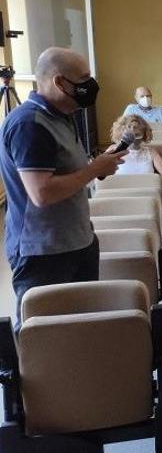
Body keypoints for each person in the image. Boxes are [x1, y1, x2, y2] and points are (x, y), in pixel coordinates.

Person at [0, 47, 126, 333]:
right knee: (45, 335)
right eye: (83, 79)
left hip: (77, 240)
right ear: (59, 82)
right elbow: (41, 193)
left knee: (79, 327)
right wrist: (93, 170)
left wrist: (98, 166)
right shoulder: (29, 125)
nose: (90, 86)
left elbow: (70, 171)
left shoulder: (63, 115)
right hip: (44, 252)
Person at [108, 114, 162, 184]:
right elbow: (100, 176)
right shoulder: (113, 149)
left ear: (144, 135)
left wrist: (152, 184)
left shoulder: (151, 152)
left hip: (146, 192)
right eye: (129, 135)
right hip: (119, 191)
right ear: (122, 133)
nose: (133, 140)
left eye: (137, 135)